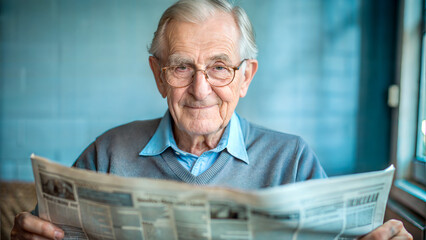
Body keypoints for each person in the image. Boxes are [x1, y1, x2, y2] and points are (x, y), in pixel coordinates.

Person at [11, 0, 412, 239]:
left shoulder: (291, 159)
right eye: (182, 67)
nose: (200, 90)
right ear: (158, 75)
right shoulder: (108, 153)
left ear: (246, 77)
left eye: (219, 67)